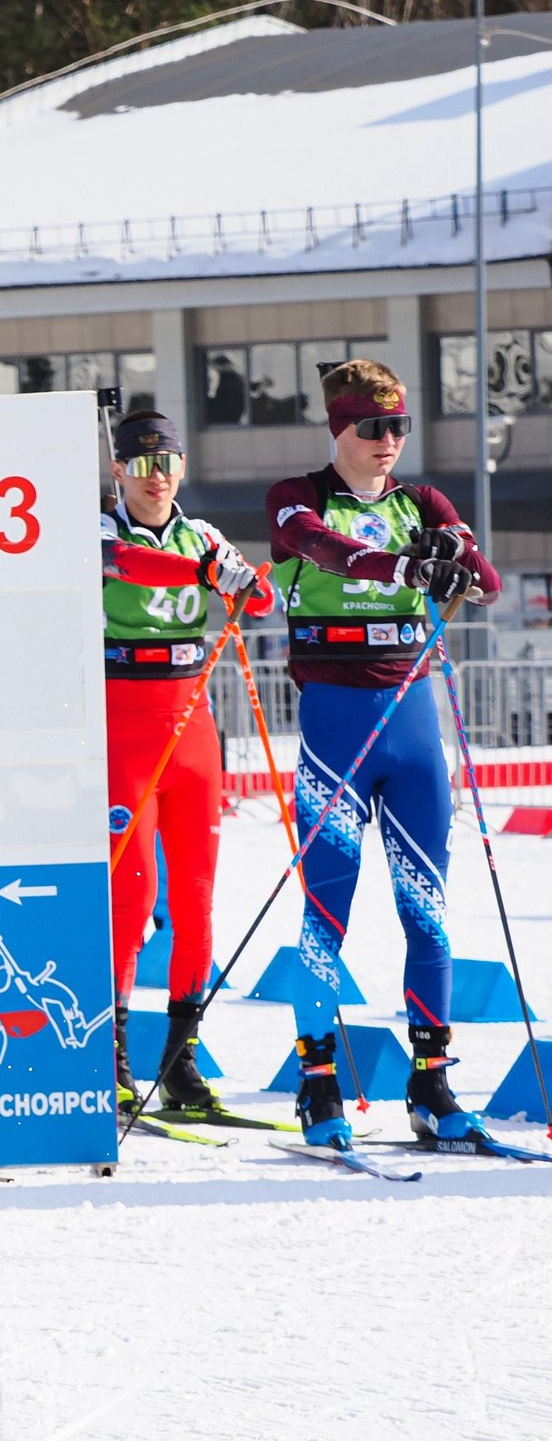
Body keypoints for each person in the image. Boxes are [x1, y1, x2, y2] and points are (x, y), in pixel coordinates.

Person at [263, 359, 499, 1149]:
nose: (388, 441)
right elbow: (321, 549)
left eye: (398, 427)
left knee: (426, 911)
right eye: (373, 428)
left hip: (412, 725)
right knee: (325, 914)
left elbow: (488, 580)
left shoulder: (422, 501)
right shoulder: (296, 496)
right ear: (339, 427)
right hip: (336, 727)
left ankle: (431, 1082)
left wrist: (452, 552)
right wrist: (403, 565)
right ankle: (319, 1083)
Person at [99, 410, 269, 1117]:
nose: (155, 478)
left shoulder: (202, 533)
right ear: (119, 472)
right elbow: (131, 567)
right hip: (122, 723)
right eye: (140, 466)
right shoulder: (104, 530)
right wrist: (206, 570)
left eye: (166, 463)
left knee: (194, 898)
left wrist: (236, 574)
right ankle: (108, 1052)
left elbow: (258, 596)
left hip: (192, 723)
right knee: (130, 895)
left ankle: (181, 1060)